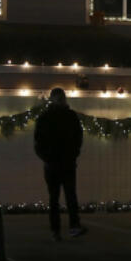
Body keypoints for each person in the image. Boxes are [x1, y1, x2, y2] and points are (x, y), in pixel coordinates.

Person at [33, 88, 87, 240]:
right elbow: (78, 138)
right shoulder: (70, 117)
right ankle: (72, 226)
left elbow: (38, 141)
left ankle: (56, 230)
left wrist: (46, 158)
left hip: (54, 164)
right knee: (69, 195)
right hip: (65, 163)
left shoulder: (45, 117)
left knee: (55, 198)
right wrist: (73, 155)